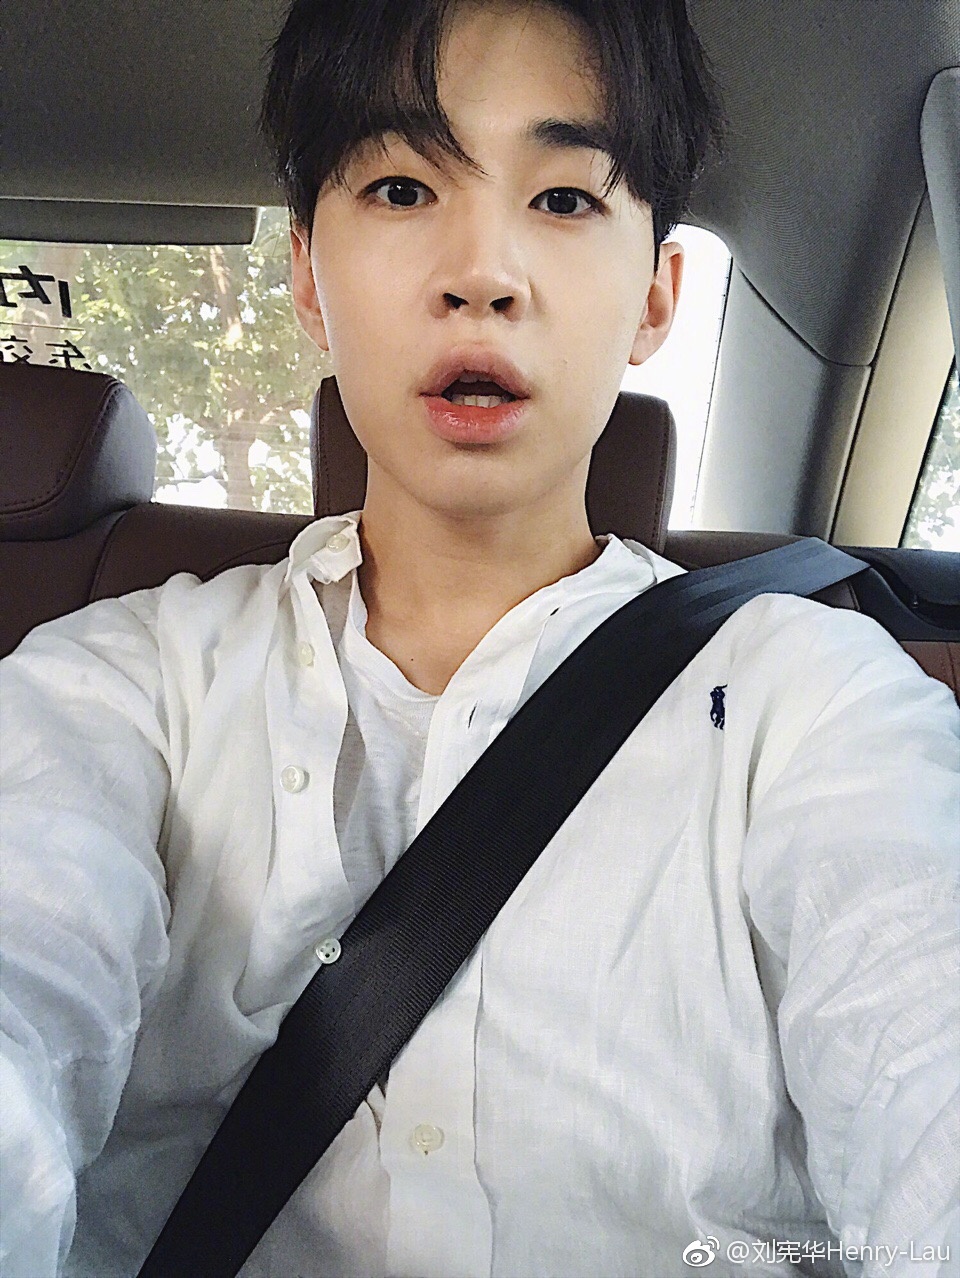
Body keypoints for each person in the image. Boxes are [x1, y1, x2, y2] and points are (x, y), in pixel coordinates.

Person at [1, 0, 957, 1274]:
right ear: (308, 279)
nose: (482, 274)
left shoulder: (815, 702)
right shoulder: (114, 688)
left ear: (654, 298)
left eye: (563, 199)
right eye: (402, 188)